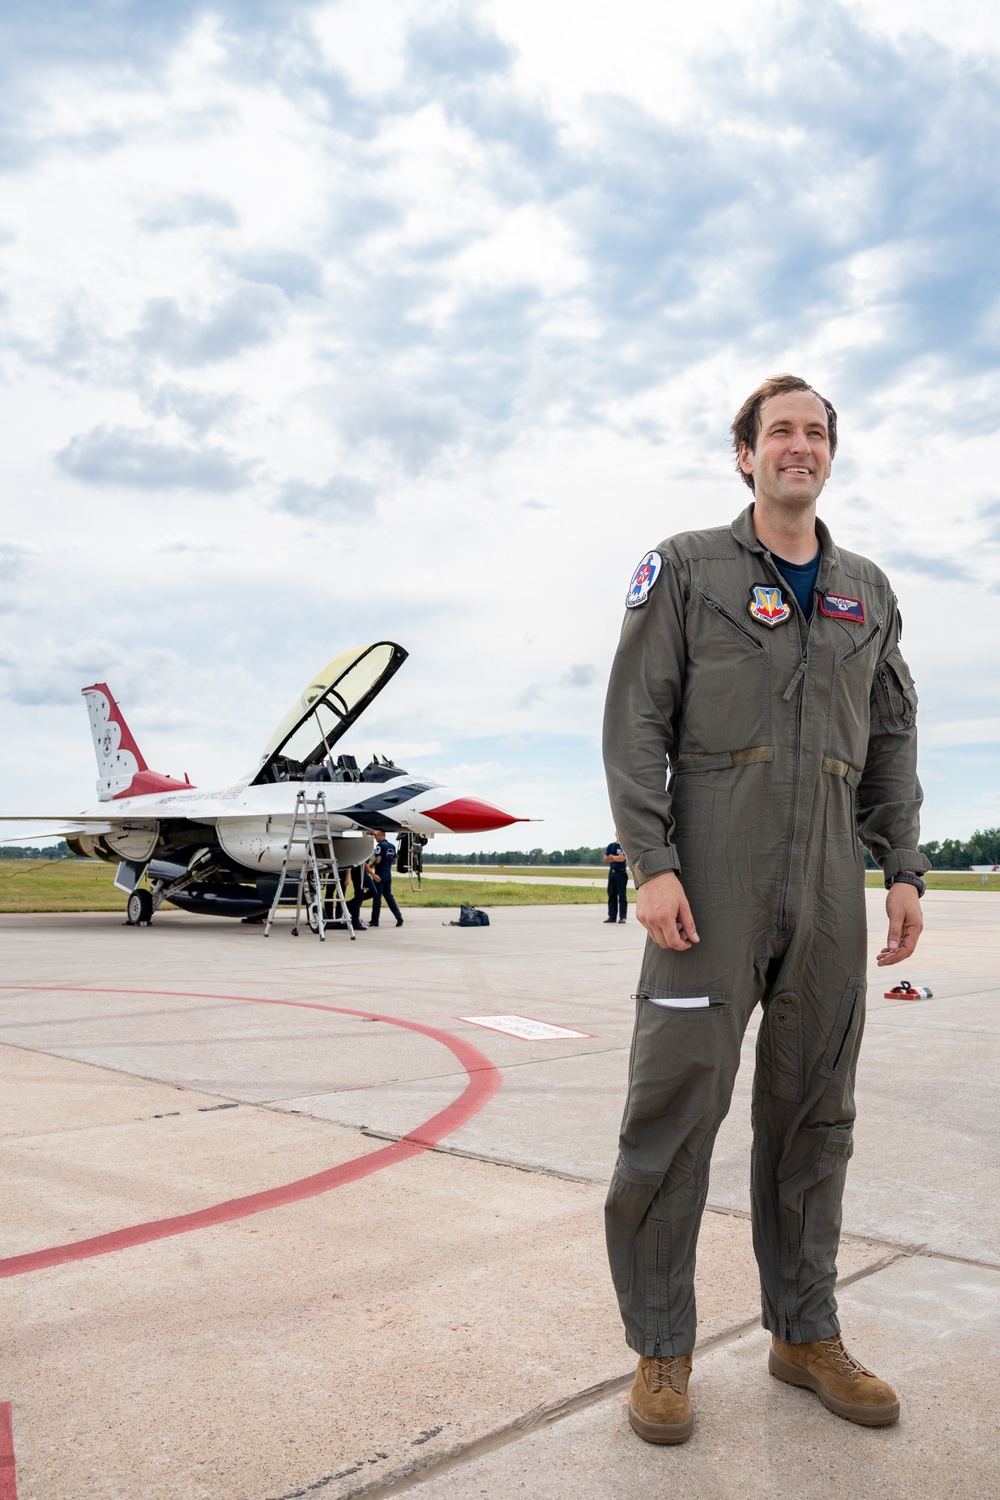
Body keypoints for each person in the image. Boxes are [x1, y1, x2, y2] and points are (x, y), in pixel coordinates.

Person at [603, 374, 928, 1445]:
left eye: (815, 433)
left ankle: (804, 1334)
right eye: (779, 432)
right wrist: (650, 861)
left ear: (830, 455)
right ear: (742, 454)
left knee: (814, 1115)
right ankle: (661, 1351)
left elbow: (890, 741)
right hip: (710, 881)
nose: (799, 447)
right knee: (675, 1112)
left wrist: (905, 869)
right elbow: (635, 718)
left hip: (828, 882)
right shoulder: (687, 569)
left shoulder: (866, 590)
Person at [370, 830, 404, 928]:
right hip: (388, 873)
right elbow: (394, 861)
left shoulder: (380, 846)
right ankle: (399, 917)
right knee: (389, 897)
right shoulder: (392, 846)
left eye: (376, 836)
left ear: (381, 836)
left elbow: (377, 859)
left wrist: (371, 866)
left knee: (377, 897)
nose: (375, 838)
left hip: (380, 873)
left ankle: (375, 920)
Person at [604, 836, 629, 923]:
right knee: (611, 895)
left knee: (622, 896)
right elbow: (605, 858)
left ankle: (622, 917)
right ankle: (612, 916)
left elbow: (622, 859)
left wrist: (611, 856)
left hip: (621, 873)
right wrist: (616, 857)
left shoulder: (624, 846)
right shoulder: (611, 846)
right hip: (612, 873)